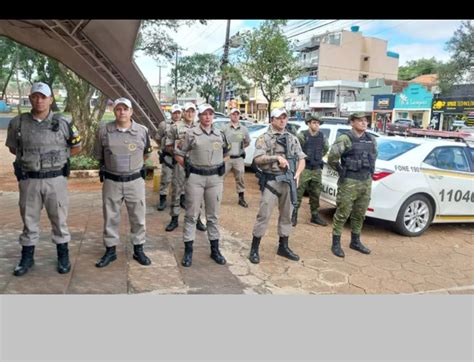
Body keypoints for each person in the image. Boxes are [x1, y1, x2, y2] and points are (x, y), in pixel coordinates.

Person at [5, 82, 82, 276]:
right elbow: (14, 148)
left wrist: (57, 160)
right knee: (29, 219)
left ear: (50, 99)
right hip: (29, 179)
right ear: (30, 98)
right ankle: (27, 258)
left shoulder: (63, 122)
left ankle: (63, 256)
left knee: (59, 219)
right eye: (35, 96)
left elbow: (76, 146)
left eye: (43, 96)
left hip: (55, 179)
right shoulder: (18, 122)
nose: (39, 100)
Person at [93, 97, 153, 267]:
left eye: (125, 109)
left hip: (135, 181)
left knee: (138, 217)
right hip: (112, 181)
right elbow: (99, 155)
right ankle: (110, 250)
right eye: (118, 109)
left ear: (131, 112)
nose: (122, 112)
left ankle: (138, 249)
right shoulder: (104, 131)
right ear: (114, 111)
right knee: (110, 216)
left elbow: (146, 153)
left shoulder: (142, 131)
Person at [174, 103, 229, 267]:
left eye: (210, 114)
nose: (207, 117)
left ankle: (215, 250)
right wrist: (188, 167)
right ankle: (188, 251)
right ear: (199, 116)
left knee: (213, 217)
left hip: (214, 180)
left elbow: (227, 153)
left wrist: (219, 163)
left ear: (213, 116)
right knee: (191, 215)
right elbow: (179, 153)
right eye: (204, 114)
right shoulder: (191, 134)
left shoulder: (220, 134)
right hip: (196, 178)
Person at [249, 108, 306, 264]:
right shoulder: (264, 138)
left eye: (284, 118)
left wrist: (297, 174)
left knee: (287, 214)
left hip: (289, 182)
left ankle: (283, 246)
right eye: (279, 118)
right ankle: (254, 248)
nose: (282, 120)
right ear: (272, 120)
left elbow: (302, 158)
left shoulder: (292, 138)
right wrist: (276, 158)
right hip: (272, 181)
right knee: (264, 214)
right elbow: (258, 159)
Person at [327, 112, 377, 258]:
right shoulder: (345, 139)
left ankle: (355, 241)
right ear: (352, 122)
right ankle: (336, 243)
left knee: (360, 213)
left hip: (365, 182)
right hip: (349, 181)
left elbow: (374, 157)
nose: (364, 123)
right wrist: (341, 172)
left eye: (365, 120)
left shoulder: (371, 140)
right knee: (343, 212)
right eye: (360, 120)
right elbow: (332, 158)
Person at [164, 102, 207, 232]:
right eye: (188, 111)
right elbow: (169, 145)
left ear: (195, 113)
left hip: (197, 166)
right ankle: (174, 218)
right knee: (176, 191)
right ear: (184, 112)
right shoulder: (175, 127)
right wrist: (180, 159)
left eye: (192, 111)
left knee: (198, 194)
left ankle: (198, 218)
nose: (190, 114)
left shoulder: (201, 128)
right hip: (180, 164)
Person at [292, 113, 329, 227]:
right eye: (314, 122)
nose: (316, 125)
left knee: (315, 193)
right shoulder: (302, 136)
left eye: (318, 123)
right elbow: (296, 151)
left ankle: (314, 215)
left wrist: (316, 158)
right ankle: (294, 215)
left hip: (317, 169)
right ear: (308, 123)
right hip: (304, 168)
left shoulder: (322, 136)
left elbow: (325, 149)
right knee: (298, 193)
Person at [222, 108, 251, 207]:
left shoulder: (244, 129)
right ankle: (216, 197)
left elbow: (247, 141)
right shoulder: (224, 129)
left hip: (238, 158)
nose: (235, 116)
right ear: (230, 116)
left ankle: (241, 198)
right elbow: (220, 142)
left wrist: (241, 148)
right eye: (233, 114)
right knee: (220, 176)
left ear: (239, 116)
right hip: (227, 157)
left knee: (240, 178)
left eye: (237, 114)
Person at [155, 104, 180, 210]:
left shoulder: (184, 125)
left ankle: (180, 199)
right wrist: (164, 147)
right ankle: (163, 199)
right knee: (166, 178)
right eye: (175, 113)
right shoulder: (164, 124)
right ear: (171, 114)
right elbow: (158, 138)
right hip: (168, 157)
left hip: (181, 157)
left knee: (180, 179)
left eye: (179, 113)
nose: (177, 115)